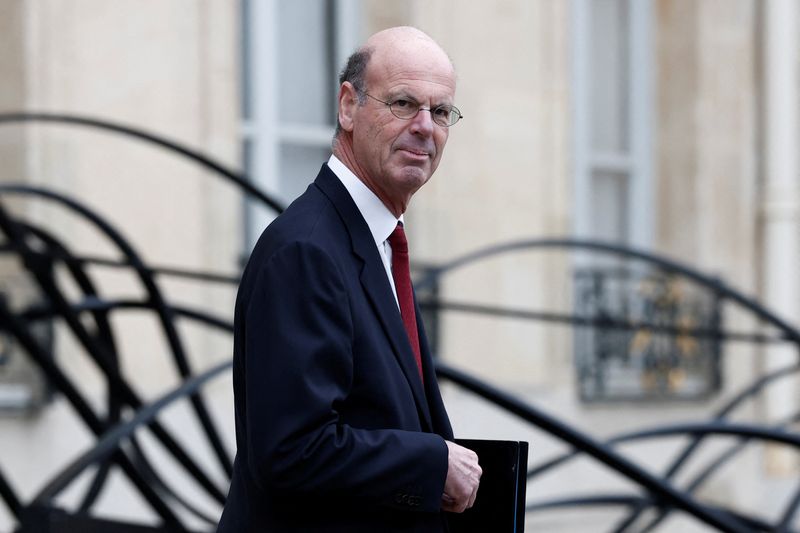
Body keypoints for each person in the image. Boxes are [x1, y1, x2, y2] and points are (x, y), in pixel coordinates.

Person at [216, 26, 481, 532]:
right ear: (347, 107)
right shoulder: (305, 251)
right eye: (403, 103)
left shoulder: (371, 240)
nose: (425, 127)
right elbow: (293, 451)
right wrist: (433, 463)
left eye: (441, 111)